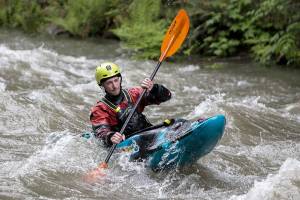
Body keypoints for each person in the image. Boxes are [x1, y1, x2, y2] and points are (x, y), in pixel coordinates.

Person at [90, 62, 171, 147]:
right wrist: (110, 137)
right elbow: (101, 132)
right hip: (127, 146)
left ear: (120, 79)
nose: (115, 86)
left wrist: (154, 88)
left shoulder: (134, 93)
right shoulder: (100, 109)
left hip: (146, 134)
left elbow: (167, 96)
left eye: (116, 80)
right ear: (102, 85)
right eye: (109, 83)